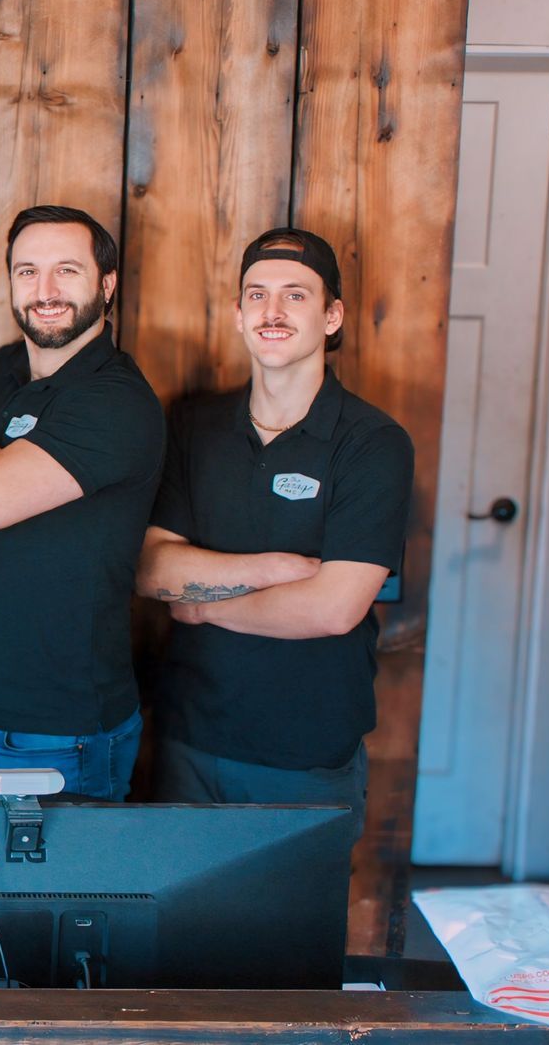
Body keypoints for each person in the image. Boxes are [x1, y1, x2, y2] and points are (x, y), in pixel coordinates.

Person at [137, 228, 413, 844]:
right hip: (189, 737)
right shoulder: (195, 424)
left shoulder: (372, 443)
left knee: (288, 941)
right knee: (181, 936)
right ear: (238, 314)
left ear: (332, 315)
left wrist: (202, 608)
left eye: (295, 295)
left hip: (305, 753)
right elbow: (152, 569)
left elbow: (335, 608)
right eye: (257, 295)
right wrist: (274, 570)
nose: (273, 311)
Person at [0, 205, 163, 801]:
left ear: (107, 284)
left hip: (55, 736)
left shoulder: (114, 402)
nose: (44, 292)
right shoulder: (5, 369)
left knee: (40, 900)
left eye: (66, 271)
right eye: (27, 271)